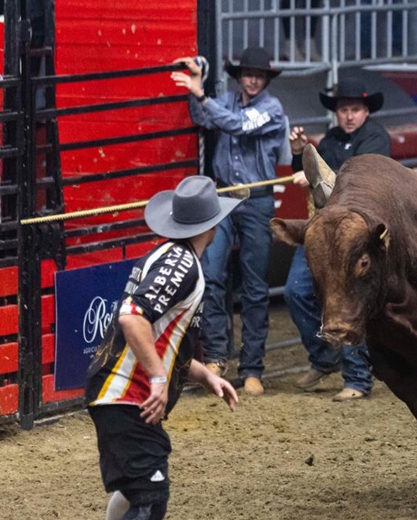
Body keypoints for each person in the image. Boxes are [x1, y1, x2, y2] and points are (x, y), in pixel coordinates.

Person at [85, 176, 240, 520]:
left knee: (138, 489)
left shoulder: (170, 257)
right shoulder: (183, 264)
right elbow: (132, 317)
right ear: (213, 226)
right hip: (127, 393)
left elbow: (156, 335)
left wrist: (201, 376)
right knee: (150, 496)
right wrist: (158, 379)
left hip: (121, 392)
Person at [171, 47, 288, 395]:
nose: (252, 79)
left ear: (265, 79)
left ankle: (253, 367)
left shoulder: (271, 109)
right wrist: (198, 87)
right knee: (211, 276)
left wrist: (201, 94)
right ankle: (218, 356)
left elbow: (232, 124)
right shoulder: (223, 101)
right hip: (223, 199)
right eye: (248, 74)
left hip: (255, 202)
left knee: (253, 285)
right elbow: (202, 118)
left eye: (259, 75)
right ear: (240, 77)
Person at [286, 78, 391, 401]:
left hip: (357, 234)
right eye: (344, 110)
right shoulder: (330, 139)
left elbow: (354, 180)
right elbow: (310, 174)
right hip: (327, 231)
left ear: (365, 111)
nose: (349, 115)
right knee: (296, 291)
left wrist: (317, 169)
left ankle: (358, 377)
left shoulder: (375, 138)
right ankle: (323, 355)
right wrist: (299, 155)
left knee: (351, 296)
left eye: (355, 110)